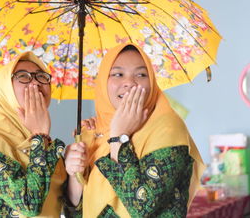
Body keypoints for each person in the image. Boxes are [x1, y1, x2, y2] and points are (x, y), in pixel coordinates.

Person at [64, 43, 205, 217]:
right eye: (118, 74)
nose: (129, 83)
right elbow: (76, 214)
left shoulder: (167, 128)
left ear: (152, 82)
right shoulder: (93, 133)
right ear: (102, 82)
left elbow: (142, 207)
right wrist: (73, 175)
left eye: (141, 74)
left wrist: (118, 138)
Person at [0, 51, 67, 217]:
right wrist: (38, 136)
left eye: (41, 76)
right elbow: (28, 204)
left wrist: (79, 169)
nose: (35, 83)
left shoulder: (48, 145)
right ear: (5, 89)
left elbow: (70, 210)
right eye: (23, 76)